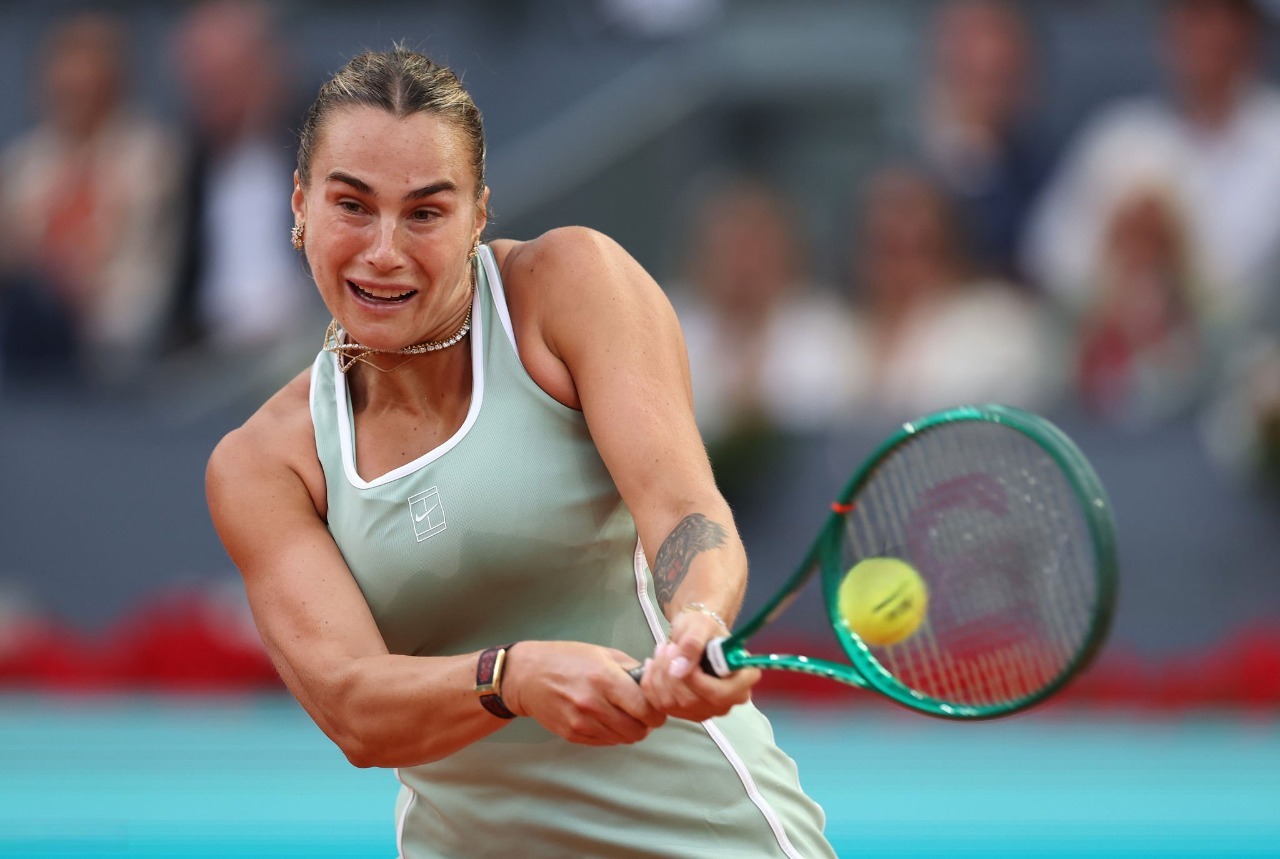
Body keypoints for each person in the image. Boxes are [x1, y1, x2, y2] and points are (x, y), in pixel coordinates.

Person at [205, 48, 834, 858]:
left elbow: (682, 508)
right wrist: (513, 677)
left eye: (426, 213)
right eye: (352, 206)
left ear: (477, 217)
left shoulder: (571, 286)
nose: (385, 250)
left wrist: (697, 623)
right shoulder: (264, 463)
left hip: (709, 836)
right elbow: (354, 706)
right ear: (300, 207)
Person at [1022, 0, 1280, 330]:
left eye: (1229, 17)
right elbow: (1049, 257)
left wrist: (1166, 240)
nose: (1213, 34)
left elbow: (1241, 277)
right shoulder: (1120, 134)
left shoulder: (1274, 136)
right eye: (1195, 17)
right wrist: (1120, 240)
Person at [0, 12, 180, 385]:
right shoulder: (25, 164)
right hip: (30, 335)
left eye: (89, 91)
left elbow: (141, 267)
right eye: (66, 91)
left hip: (115, 338)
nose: (75, 102)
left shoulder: (152, 157)